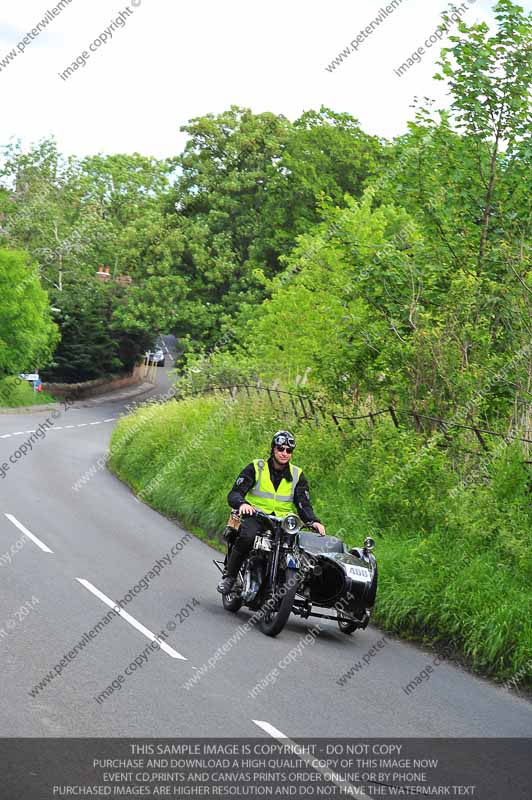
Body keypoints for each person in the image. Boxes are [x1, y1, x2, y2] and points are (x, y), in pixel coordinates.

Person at [217, 430, 326, 594]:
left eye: (288, 451)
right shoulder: (256, 467)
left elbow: (304, 503)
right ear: (273, 449)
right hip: (257, 516)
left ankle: (291, 586)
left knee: (296, 549)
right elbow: (235, 493)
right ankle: (230, 578)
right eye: (281, 449)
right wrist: (243, 504)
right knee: (247, 537)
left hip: (283, 522)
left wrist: (314, 521)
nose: (284, 453)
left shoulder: (297, 475)